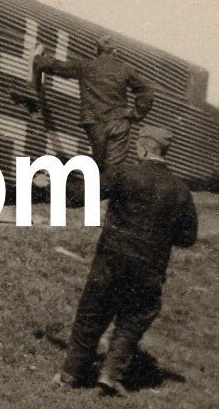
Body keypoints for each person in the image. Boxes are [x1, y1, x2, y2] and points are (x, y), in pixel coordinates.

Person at [57, 124, 198, 395]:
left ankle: (70, 375)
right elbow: (187, 237)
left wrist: (56, 179)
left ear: (143, 146)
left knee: (92, 314)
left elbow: (79, 197)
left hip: (112, 259)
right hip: (149, 268)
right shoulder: (180, 190)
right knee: (134, 319)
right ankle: (110, 375)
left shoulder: (125, 173)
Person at [33, 33, 154, 173]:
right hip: (118, 122)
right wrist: (136, 114)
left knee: (99, 164)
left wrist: (38, 58)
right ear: (115, 51)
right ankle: (106, 191)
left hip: (94, 123)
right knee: (114, 168)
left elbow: (59, 67)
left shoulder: (86, 65)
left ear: (98, 50)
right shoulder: (125, 69)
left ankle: (97, 189)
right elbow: (147, 92)